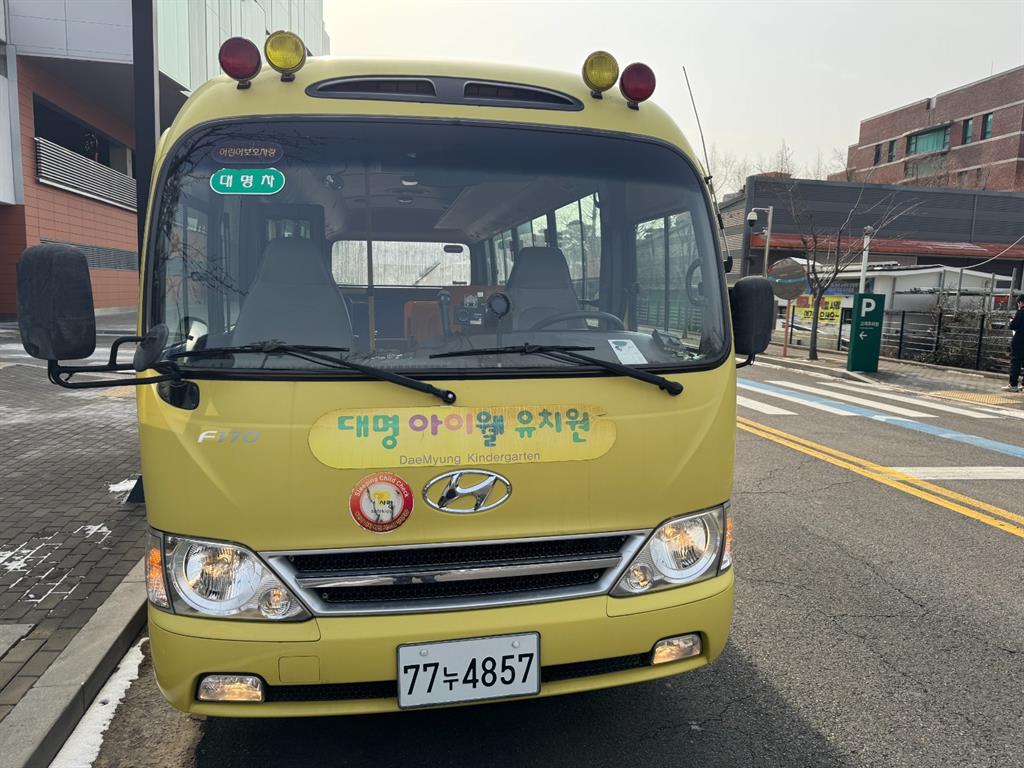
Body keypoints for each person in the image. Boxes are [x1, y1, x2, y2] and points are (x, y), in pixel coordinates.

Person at [1005, 294, 1024, 392]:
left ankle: (1013, 385)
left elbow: (1013, 326)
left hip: (1019, 341)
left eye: (1018, 303)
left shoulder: (1020, 312)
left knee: (1015, 363)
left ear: (1021, 303)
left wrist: (1011, 321)